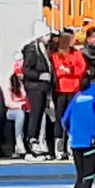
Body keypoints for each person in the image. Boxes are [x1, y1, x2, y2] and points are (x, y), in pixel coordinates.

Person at [20, 31, 58, 159]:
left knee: (40, 114)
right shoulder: (32, 50)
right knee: (35, 115)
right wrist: (40, 75)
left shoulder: (45, 48)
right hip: (35, 87)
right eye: (46, 35)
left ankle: (36, 141)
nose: (49, 38)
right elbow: (26, 70)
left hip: (43, 87)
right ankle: (31, 141)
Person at [51, 33, 88, 147]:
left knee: (74, 117)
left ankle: (71, 143)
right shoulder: (56, 55)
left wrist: (69, 70)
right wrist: (64, 71)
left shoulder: (77, 54)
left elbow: (82, 69)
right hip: (60, 90)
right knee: (60, 117)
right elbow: (56, 70)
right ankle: (59, 144)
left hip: (74, 90)